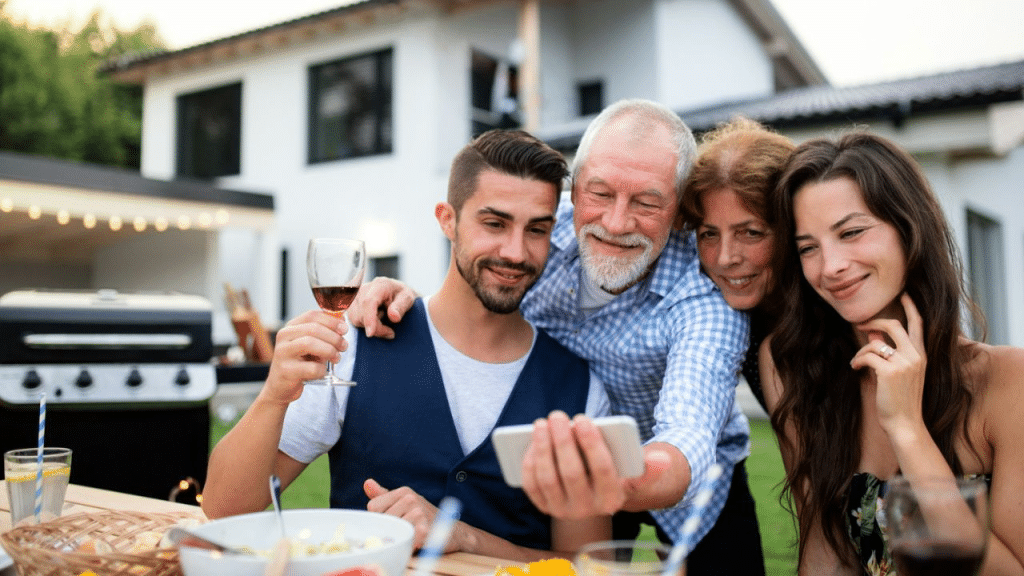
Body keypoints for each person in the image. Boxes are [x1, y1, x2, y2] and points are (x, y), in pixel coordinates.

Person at [348, 100, 764, 575]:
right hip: (571, 468)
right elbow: (479, 275)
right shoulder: (540, 229)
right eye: (600, 194)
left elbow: (687, 438)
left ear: (680, 210)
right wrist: (409, 301)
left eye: (647, 203)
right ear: (575, 188)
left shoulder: (704, 296)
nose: (615, 222)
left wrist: (598, 476)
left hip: (684, 485)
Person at [202, 129, 612, 560]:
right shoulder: (357, 346)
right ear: (447, 219)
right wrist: (272, 396)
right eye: (494, 223)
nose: (515, 251)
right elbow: (223, 509)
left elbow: (591, 568)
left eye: (537, 229)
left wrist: (466, 538)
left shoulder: (580, 389)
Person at [760, 132, 1024, 575]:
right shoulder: (792, 366)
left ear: (909, 228)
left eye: (851, 232)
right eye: (808, 248)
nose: (830, 266)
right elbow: (824, 554)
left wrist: (907, 428)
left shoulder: (1007, 381)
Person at [678, 116, 795, 411]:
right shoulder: (738, 322)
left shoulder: (842, 318)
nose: (725, 257)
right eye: (709, 234)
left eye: (751, 233)